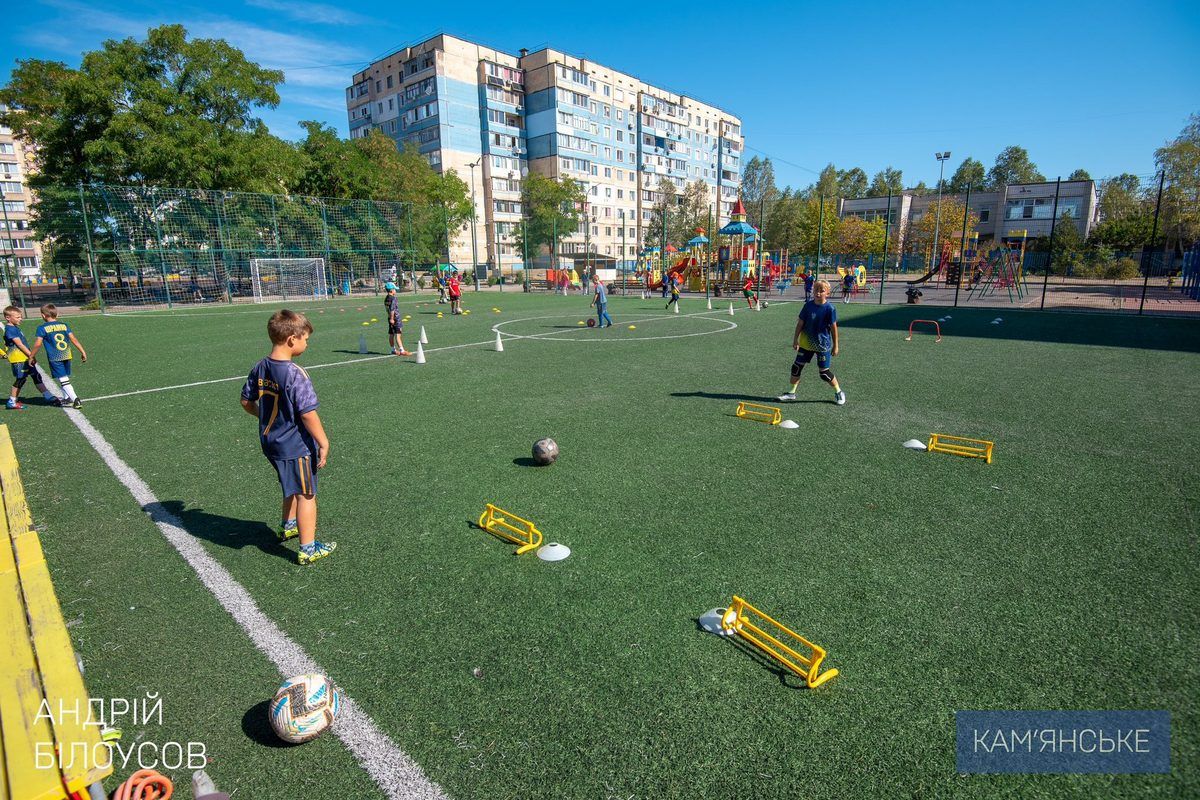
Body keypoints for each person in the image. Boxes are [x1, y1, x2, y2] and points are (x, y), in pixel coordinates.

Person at [240, 310, 336, 565]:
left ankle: (288, 525)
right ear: (292, 339)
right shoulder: (295, 373)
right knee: (306, 493)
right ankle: (308, 548)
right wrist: (324, 442)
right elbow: (307, 414)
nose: (307, 343)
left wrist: (266, 416)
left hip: (270, 442)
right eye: (305, 339)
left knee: (291, 484)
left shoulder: (260, 366)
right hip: (295, 445)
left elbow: (246, 401)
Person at [778, 280, 845, 406]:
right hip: (805, 343)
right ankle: (791, 393)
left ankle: (839, 392)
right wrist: (795, 340)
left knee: (824, 373)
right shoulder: (808, 306)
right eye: (816, 290)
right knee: (796, 367)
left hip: (822, 345)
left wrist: (836, 345)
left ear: (828, 293)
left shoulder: (829, 308)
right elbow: (800, 323)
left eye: (822, 291)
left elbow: (833, 328)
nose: (818, 293)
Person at [29, 304, 88, 409]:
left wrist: (31, 356)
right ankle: (67, 398)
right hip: (67, 354)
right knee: (64, 378)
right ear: (57, 314)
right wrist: (82, 351)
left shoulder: (42, 328)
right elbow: (74, 339)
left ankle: (75, 399)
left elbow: (38, 344)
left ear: (43, 315)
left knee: (63, 379)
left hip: (55, 357)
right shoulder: (64, 325)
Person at [3, 306, 58, 409]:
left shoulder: (15, 328)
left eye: (20, 317)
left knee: (36, 376)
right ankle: (12, 400)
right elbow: (20, 345)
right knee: (21, 379)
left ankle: (48, 396)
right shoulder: (10, 330)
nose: (20, 319)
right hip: (19, 359)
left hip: (25, 358)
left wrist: (30, 356)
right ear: (8, 318)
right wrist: (31, 355)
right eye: (18, 317)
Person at [383, 283, 411, 356]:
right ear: (391, 290)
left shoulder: (386, 298)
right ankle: (402, 350)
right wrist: (392, 318)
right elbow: (392, 309)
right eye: (395, 289)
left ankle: (393, 350)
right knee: (398, 334)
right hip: (395, 318)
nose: (395, 291)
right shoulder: (393, 298)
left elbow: (387, 309)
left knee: (391, 334)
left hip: (389, 317)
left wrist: (390, 318)